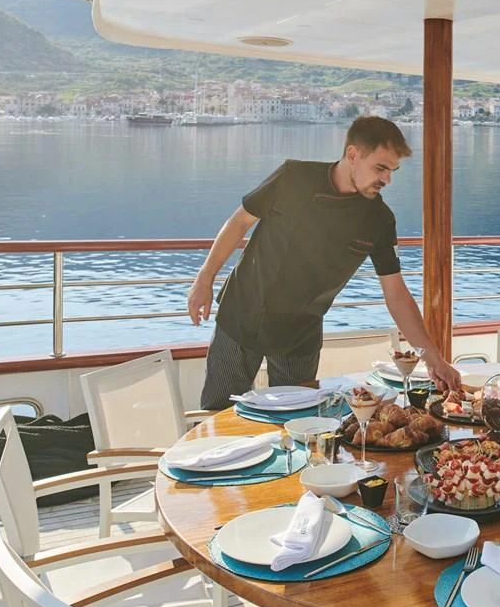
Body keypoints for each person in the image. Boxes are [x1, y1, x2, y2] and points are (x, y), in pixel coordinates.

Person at [187, 116, 462, 409]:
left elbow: (396, 294)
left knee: (295, 424)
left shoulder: (379, 220)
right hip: (242, 316)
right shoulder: (293, 177)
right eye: (380, 168)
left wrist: (435, 360)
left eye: (392, 171)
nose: (386, 180)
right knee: (219, 415)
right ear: (353, 155)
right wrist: (204, 279)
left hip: (299, 336)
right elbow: (240, 222)